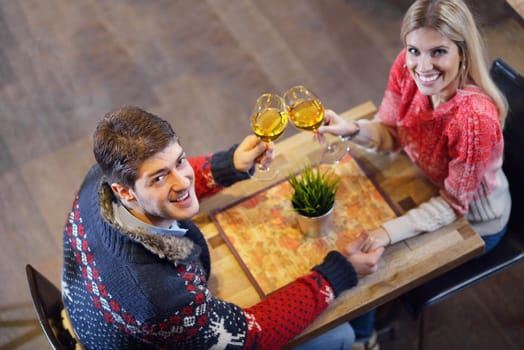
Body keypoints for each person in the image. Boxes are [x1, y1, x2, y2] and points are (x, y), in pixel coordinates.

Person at [61, 106, 385, 349]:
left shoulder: (99, 181)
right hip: (140, 331)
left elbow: (176, 186)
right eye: (159, 177)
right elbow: (251, 336)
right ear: (125, 191)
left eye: (179, 161)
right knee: (340, 333)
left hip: (97, 312)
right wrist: (337, 273)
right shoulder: (161, 298)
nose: (182, 181)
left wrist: (229, 165)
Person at [318, 0, 511, 346]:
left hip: (475, 222)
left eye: (438, 52)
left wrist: (384, 233)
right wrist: (350, 129)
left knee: (363, 265)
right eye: (414, 50)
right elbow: (391, 132)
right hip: (425, 182)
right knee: (343, 228)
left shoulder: (473, 118)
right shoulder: (407, 69)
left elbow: (454, 206)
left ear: (462, 53)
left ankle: (364, 340)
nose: (422, 66)